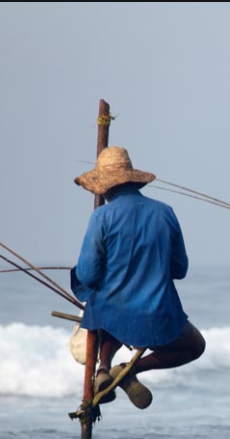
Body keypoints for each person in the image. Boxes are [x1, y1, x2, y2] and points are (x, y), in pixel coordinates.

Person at [71, 146, 205, 409]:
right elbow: (180, 269)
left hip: (111, 312)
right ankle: (131, 369)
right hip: (158, 313)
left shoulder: (101, 216)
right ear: (132, 180)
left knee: (110, 308)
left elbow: (87, 274)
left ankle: (104, 368)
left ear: (104, 187)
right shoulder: (165, 212)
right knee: (194, 345)